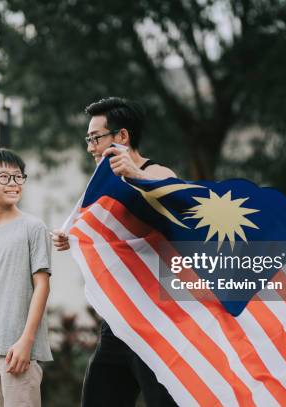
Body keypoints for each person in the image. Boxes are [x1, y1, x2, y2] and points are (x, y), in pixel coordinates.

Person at [52, 97, 178, 407]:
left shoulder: (157, 172)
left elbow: (178, 204)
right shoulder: (105, 185)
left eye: (95, 138)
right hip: (117, 321)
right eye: (88, 139)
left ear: (122, 137)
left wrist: (137, 176)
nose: (90, 147)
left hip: (154, 321)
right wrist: (74, 237)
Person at [0, 148, 53, 407]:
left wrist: (26, 341)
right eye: (4, 177)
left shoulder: (33, 227)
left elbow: (42, 286)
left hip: (18, 350)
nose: (14, 183)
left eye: (18, 177)